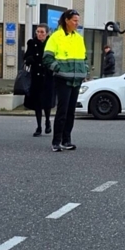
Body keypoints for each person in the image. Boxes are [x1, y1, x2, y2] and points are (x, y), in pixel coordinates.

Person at [43, 9, 89, 152]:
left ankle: (66, 140)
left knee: (70, 112)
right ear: (67, 20)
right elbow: (47, 58)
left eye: (78, 21)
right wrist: (58, 69)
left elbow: (84, 57)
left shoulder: (79, 38)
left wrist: (84, 70)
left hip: (76, 80)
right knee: (62, 111)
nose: (77, 23)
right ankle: (56, 141)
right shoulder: (56, 37)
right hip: (63, 79)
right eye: (75, 20)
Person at [23, 25, 55, 137]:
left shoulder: (51, 43)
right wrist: (29, 59)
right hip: (36, 77)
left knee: (47, 103)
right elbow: (26, 57)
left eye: (42, 32)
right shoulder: (32, 43)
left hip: (47, 77)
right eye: (38, 32)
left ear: (46, 33)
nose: (40, 34)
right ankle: (39, 127)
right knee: (37, 104)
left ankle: (47, 122)